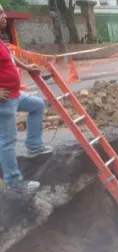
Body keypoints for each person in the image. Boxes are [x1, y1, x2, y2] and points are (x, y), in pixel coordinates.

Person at [0, 5, 53, 193]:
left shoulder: (0, 41)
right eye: (0, 13)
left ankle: (33, 145)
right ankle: (14, 182)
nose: (4, 16)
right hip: (4, 100)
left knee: (37, 105)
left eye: (3, 12)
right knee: (7, 141)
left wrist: (27, 67)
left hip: (15, 94)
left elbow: (10, 60)